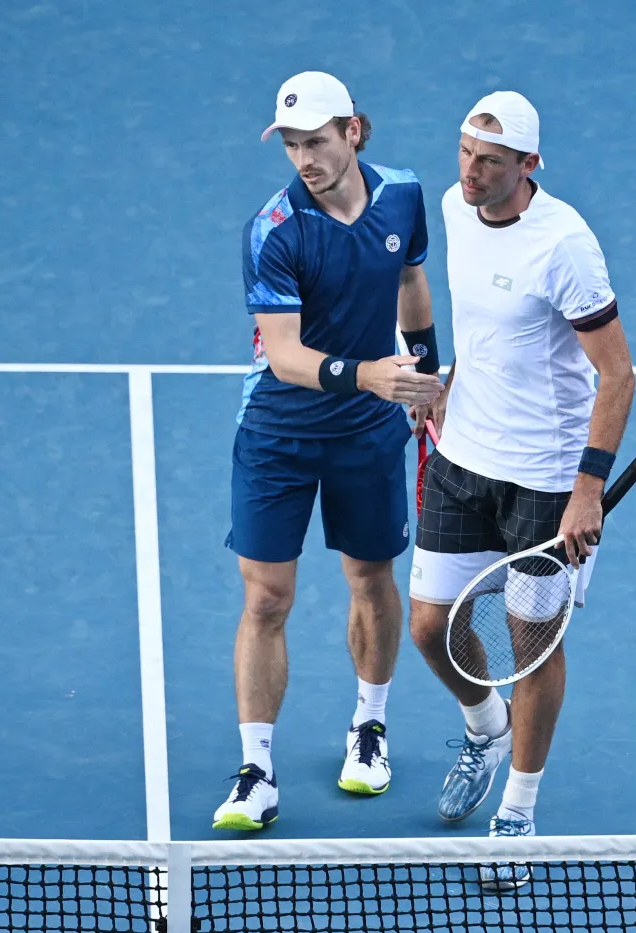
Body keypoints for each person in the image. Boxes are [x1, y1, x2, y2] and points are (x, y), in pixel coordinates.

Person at [407, 91, 636, 872]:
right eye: (465, 153)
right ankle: (485, 727)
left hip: (544, 482)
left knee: (532, 646)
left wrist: (587, 489)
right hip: (462, 458)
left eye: (491, 162)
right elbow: (480, 326)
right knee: (430, 627)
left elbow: (617, 374)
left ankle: (518, 809)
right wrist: (445, 385)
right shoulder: (453, 206)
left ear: (529, 166)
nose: (471, 173)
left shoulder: (565, 245)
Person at [212, 71, 444, 831]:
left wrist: (426, 370)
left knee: (371, 575)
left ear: (355, 131)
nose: (303, 158)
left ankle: (368, 727)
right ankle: (256, 771)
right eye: (290, 144)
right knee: (267, 597)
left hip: (369, 429)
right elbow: (283, 356)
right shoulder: (274, 229)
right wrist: (372, 375)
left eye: (315, 141)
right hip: (280, 432)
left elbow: (412, 281)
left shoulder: (403, 195)